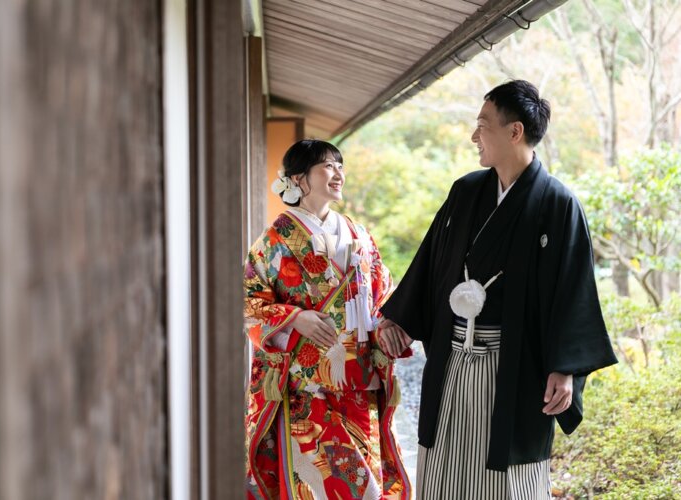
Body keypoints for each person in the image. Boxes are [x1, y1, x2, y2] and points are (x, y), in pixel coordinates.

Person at [378, 80, 618, 499]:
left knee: (506, 477)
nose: (475, 136)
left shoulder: (558, 203)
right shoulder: (466, 191)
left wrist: (565, 367)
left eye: (482, 125)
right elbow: (431, 262)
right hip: (453, 358)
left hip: (514, 367)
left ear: (515, 132)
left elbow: (573, 293)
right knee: (445, 463)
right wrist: (397, 318)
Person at [244, 140, 411, 499]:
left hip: (360, 379)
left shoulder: (359, 235)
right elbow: (248, 301)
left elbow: (382, 293)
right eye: (327, 166)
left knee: (366, 483)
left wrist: (387, 325)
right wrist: (294, 318)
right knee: (320, 485)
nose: (338, 174)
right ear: (298, 179)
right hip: (306, 386)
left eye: (340, 166)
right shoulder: (274, 240)